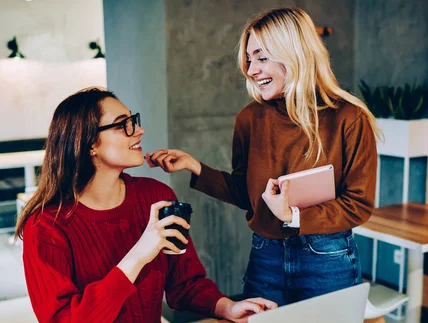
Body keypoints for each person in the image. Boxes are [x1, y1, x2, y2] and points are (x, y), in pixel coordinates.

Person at [15, 87, 277, 323]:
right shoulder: (46, 226)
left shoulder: (154, 196)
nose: (138, 130)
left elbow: (185, 284)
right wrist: (139, 253)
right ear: (89, 145)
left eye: (134, 120)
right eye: (123, 124)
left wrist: (228, 307)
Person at [147, 7, 380, 307]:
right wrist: (195, 167)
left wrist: (293, 216)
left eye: (262, 57)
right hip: (265, 256)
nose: (250, 69)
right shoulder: (249, 119)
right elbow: (247, 195)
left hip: (328, 259)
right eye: (249, 59)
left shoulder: (349, 118)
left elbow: (358, 204)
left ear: (294, 53)